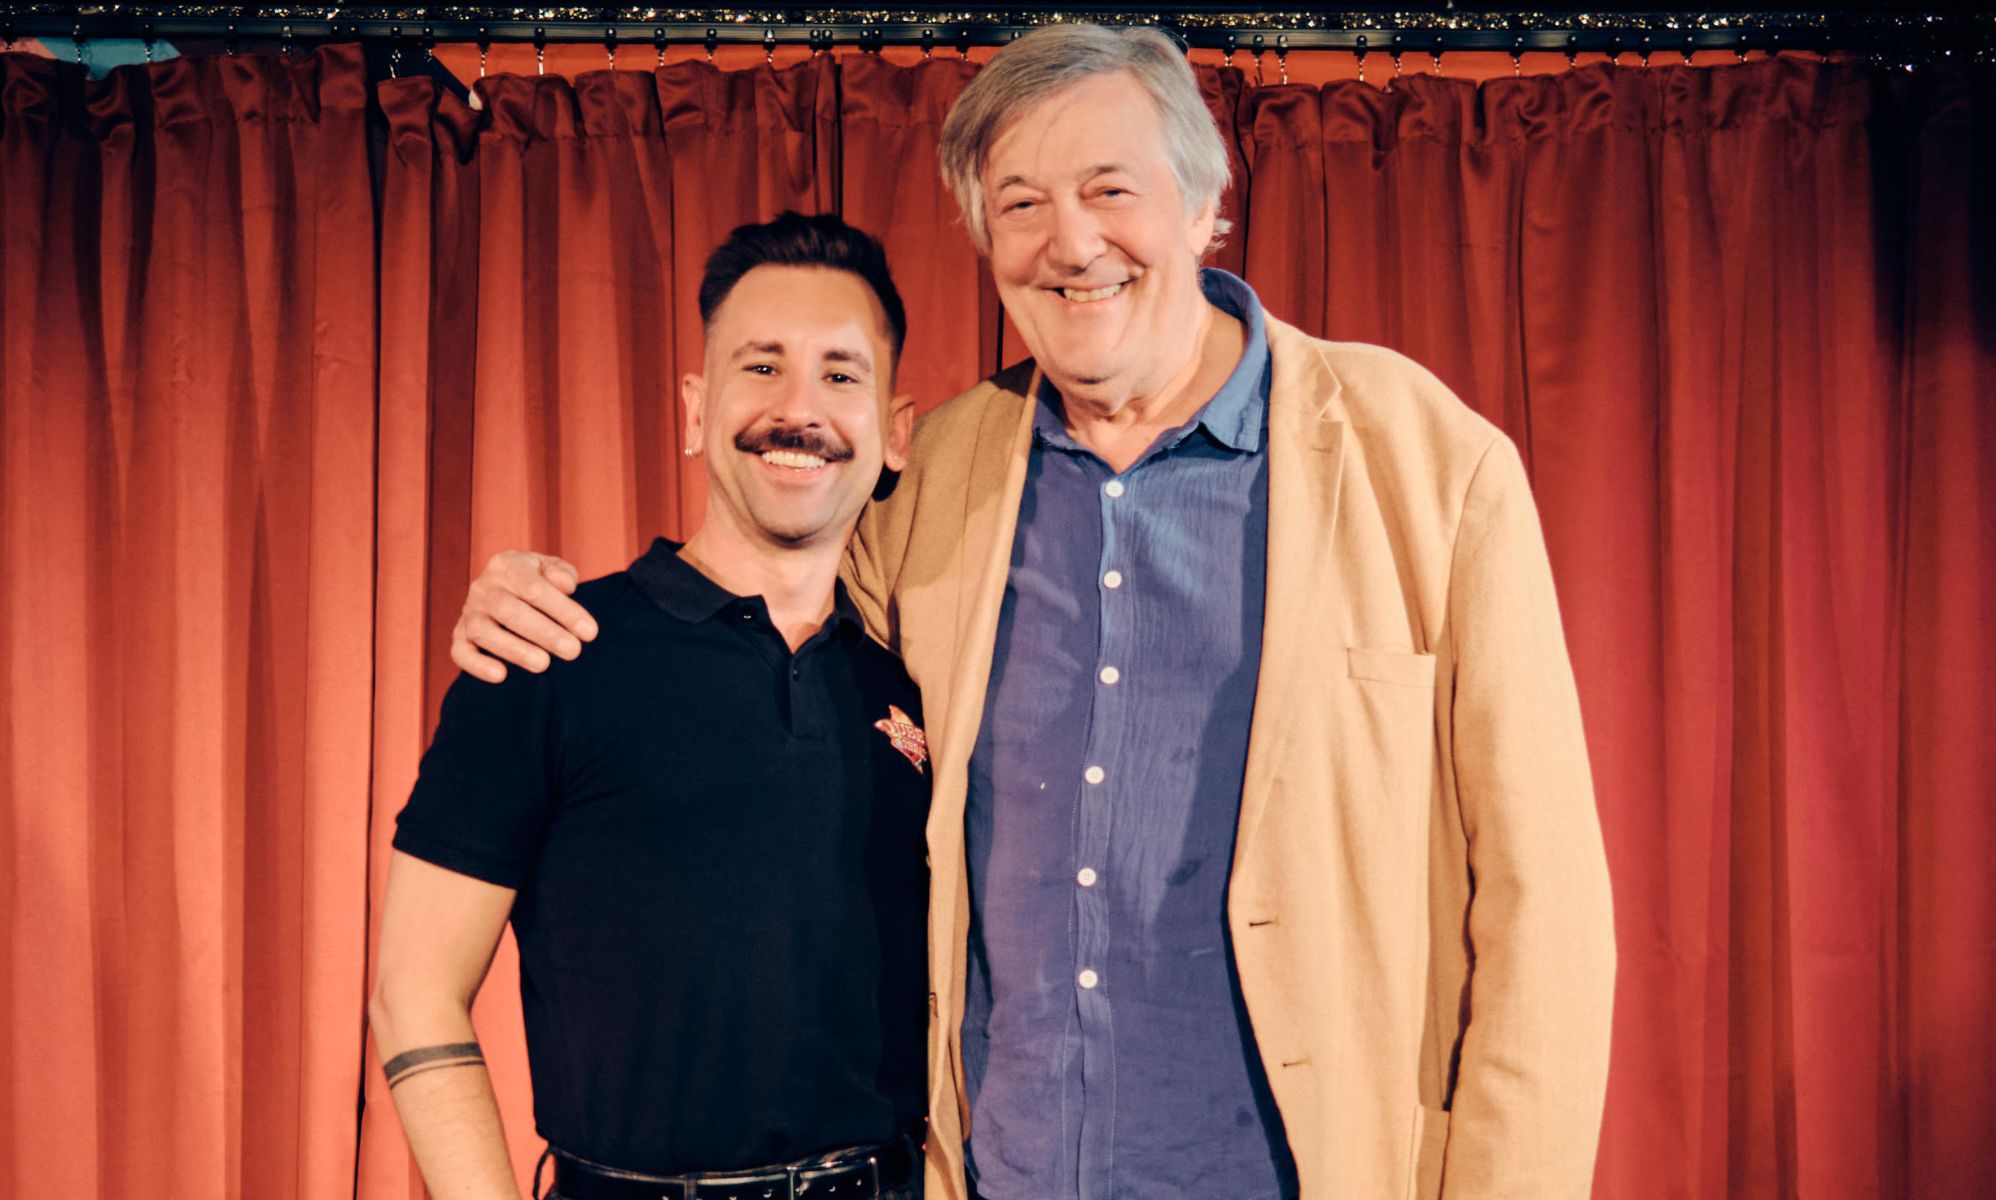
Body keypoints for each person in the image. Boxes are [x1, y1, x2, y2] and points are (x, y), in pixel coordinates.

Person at [451, 24, 1616, 1200]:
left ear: (1204, 199)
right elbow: (759, 597)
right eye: (1020, 204)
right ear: (984, 239)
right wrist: (542, 604)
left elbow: (1544, 912)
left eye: (1110, 189)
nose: (1071, 243)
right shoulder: (944, 472)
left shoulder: (1427, 462)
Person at [369, 212, 929, 1200]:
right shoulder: (546, 652)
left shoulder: (922, 679)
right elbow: (413, 989)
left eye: (841, 374)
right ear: (694, 408)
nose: (799, 408)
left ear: (895, 433)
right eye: (761, 367)